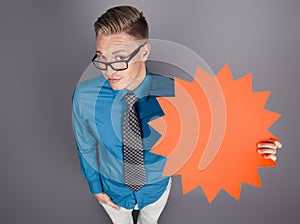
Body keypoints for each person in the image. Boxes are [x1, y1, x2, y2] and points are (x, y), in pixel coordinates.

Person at [72, 5, 282, 224]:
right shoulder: (84, 97)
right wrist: (95, 187)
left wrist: (256, 146)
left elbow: (215, 134)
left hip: (157, 188)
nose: (108, 70)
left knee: (150, 221)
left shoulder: (177, 94)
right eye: (101, 58)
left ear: (144, 51)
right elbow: (85, 146)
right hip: (112, 191)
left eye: (119, 58)